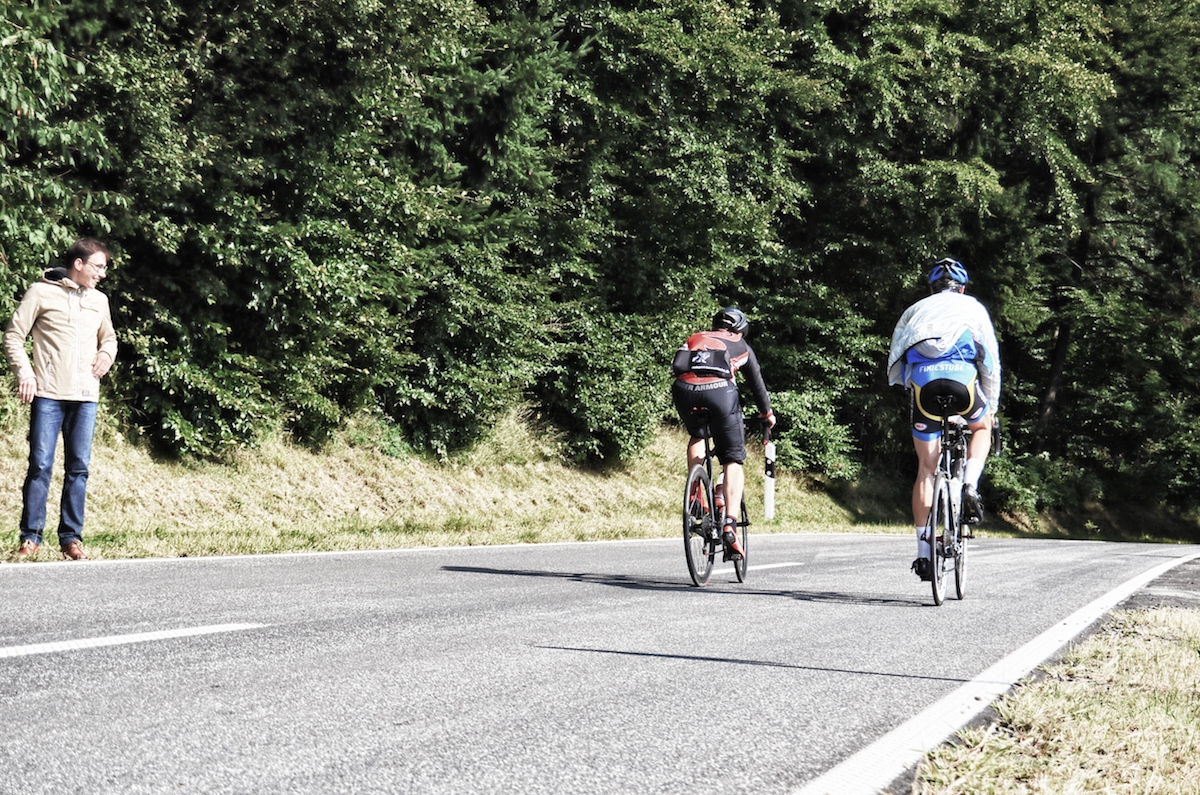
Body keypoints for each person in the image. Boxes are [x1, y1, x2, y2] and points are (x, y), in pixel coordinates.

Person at [4, 238, 118, 561]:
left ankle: (71, 538)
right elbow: (13, 335)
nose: (102, 274)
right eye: (98, 267)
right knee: (40, 465)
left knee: (79, 469)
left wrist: (107, 354)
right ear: (79, 264)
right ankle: (30, 538)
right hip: (48, 394)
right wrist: (25, 373)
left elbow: (109, 338)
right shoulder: (40, 293)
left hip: (86, 397)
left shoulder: (99, 300)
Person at [887, 258, 1000, 581]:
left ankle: (924, 555)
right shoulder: (973, 307)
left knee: (926, 468)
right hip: (963, 383)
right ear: (961, 289)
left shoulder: (915, 310)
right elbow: (990, 362)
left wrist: (911, 390)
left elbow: (897, 360)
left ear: (931, 288)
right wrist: (991, 408)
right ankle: (969, 485)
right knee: (981, 427)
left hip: (924, 387)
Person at [672, 307, 776, 561]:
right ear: (741, 328)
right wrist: (767, 414)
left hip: (683, 389)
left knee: (698, 435)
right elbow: (757, 385)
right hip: (720, 392)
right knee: (732, 459)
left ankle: (696, 493)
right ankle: (730, 522)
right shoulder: (740, 344)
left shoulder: (696, 338)